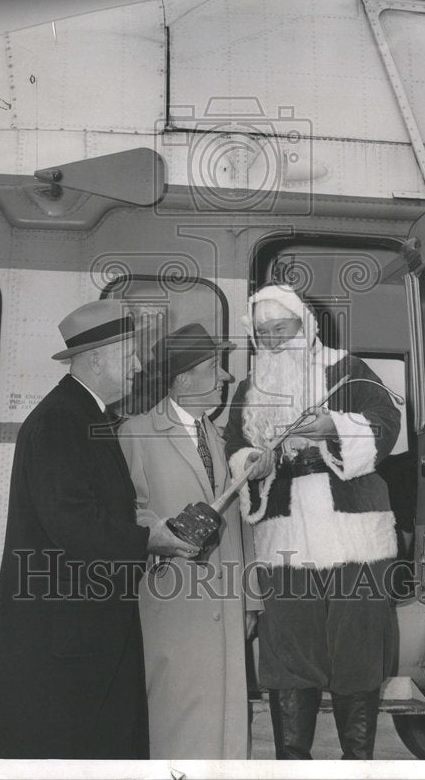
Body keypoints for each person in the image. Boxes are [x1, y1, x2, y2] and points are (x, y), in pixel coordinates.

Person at [0, 299, 192, 759]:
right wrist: (152, 540)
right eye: (129, 355)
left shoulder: (79, 415)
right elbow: (74, 524)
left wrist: (145, 529)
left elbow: (90, 514)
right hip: (65, 643)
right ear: (95, 358)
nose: (137, 367)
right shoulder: (60, 422)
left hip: (76, 633)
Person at [224, 284, 401, 760]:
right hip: (286, 534)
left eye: (281, 329)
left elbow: (386, 420)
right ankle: (292, 763)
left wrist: (333, 428)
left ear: (306, 326)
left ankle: (356, 762)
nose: (274, 340)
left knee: (358, 650)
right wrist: (250, 464)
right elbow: (233, 448)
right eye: (263, 333)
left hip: (356, 533)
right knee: (286, 653)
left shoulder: (348, 369)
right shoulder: (250, 388)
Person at [121, 322, 263, 760]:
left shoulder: (218, 439)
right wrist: (162, 531)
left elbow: (239, 524)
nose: (225, 377)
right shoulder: (136, 433)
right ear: (183, 379)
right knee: (176, 724)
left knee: (226, 727)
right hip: (174, 607)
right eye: (214, 367)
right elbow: (124, 513)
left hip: (224, 603)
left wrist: (251, 599)